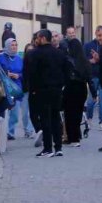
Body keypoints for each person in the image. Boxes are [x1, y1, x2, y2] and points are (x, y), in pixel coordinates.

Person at [23, 29, 72, 158]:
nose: (36, 40)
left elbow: (31, 73)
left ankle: (48, 148)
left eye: (38, 38)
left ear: (43, 38)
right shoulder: (59, 53)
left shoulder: (34, 54)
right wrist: (62, 85)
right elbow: (68, 70)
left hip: (41, 90)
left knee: (45, 119)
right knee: (56, 117)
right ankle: (58, 147)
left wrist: (32, 89)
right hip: (56, 90)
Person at [0, 38, 32, 140]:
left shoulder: (19, 59)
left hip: (16, 88)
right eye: (12, 45)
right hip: (4, 88)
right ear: (7, 46)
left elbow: (24, 73)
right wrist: (5, 74)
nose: (14, 47)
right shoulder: (0, 58)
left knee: (15, 112)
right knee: (4, 111)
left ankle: (10, 132)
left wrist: (18, 75)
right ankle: (3, 132)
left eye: (16, 45)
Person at [64, 38, 92, 147]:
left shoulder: (68, 60)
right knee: (78, 113)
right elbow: (89, 78)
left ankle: (71, 137)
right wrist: (94, 93)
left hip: (70, 87)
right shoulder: (85, 61)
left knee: (69, 113)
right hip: (82, 88)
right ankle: (76, 137)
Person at [83, 26, 102, 130]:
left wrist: (100, 59)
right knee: (91, 100)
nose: (100, 37)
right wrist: (91, 61)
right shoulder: (88, 45)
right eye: (98, 34)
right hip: (92, 75)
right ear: (95, 33)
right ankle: (89, 118)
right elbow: (82, 59)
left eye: (101, 35)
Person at [22, 43, 37, 138]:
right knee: (24, 113)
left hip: (34, 89)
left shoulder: (37, 62)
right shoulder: (23, 62)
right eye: (28, 51)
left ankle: (30, 129)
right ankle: (26, 129)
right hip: (24, 89)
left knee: (31, 112)